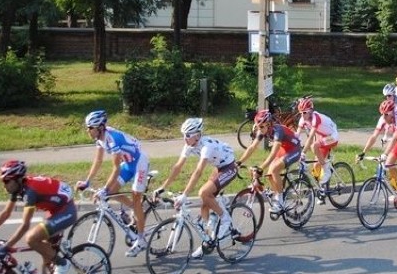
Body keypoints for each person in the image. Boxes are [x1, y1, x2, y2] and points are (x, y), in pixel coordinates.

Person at [158, 118, 237, 258]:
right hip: (219, 167)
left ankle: (225, 218)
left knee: (204, 192)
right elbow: (177, 167)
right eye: (183, 135)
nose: (185, 139)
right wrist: (163, 187)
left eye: (188, 135)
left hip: (229, 167)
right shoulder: (189, 146)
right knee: (204, 204)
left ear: (197, 135)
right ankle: (207, 241)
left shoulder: (206, 146)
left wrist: (185, 194)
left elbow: (198, 171)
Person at [76, 110, 151, 257]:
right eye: (87, 127)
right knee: (112, 193)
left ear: (100, 127)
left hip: (139, 163)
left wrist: (104, 189)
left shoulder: (112, 139)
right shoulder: (100, 139)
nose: (88, 130)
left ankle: (141, 240)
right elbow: (97, 161)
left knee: (135, 197)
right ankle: (137, 211)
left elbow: (116, 168)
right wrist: (87, 181)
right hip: (128, 164)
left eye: (90, 127)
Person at [238, 109, 302, 214]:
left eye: (262, 127)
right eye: (257, 127)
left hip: (294, 149)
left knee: (274, 169)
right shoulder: (263, 130)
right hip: (284, 148)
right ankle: (277, 195)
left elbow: (273, 154)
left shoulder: (278, 131)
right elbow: (252, 147)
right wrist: (239, 162)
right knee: (269, 174)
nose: (259, 129)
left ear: (269, 124)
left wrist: (260, 168)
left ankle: (280, 201)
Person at [357, 99, 397, 205]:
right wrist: (363, 152)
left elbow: (394, 138)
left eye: (386, 114)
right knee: (388, 164)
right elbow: (374, 136)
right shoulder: (383, 119)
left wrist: (385, 154)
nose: (384, 117)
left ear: (392, 113)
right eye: (382, 114)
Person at [295, 97, 339, 197]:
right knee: (315, 166)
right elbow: (296, 135)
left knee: (314, 145)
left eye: (304, 112)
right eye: (300, 113)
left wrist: (303, 152)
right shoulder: (303, 119)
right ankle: (321, 191)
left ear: (310, 111)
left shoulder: (316, 118)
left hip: (332, 136)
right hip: (322, 137)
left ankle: (327, 170)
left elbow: (311, 137)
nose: (302, 115)